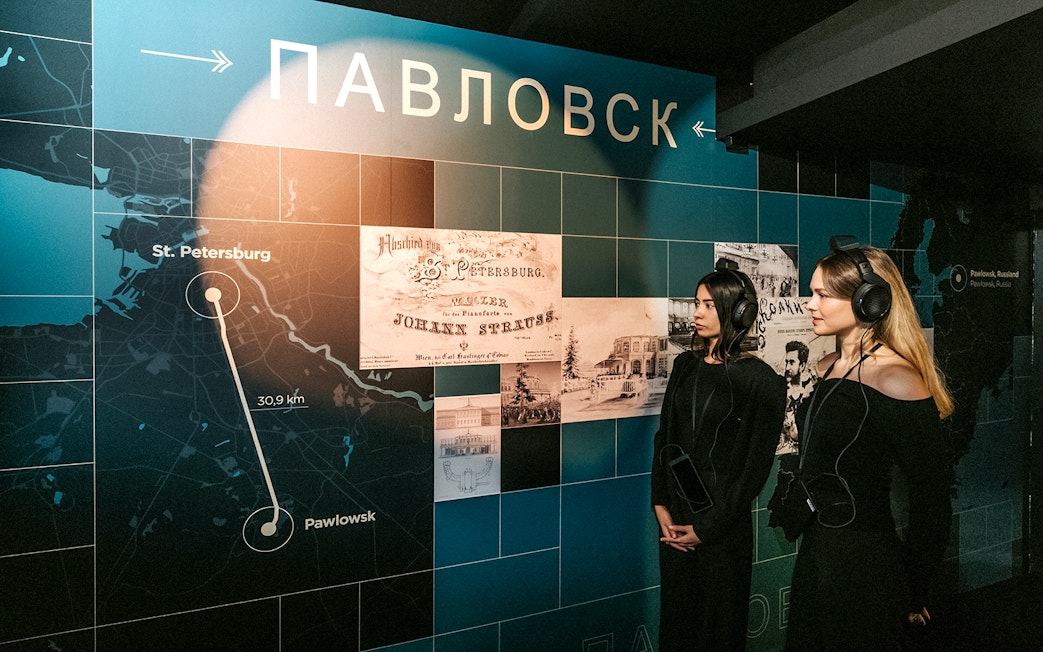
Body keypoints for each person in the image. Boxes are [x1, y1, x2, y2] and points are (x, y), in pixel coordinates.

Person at [783, 237, 953, 651]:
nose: (810, 303)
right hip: (817, 556)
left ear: (868, 302)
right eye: (811, 292)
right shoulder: (824, 367)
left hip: (866, 568)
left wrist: (916, 588)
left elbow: (932, 498)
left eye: (822, 294)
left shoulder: (896, 378)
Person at [651, 260, 786, 651]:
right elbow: (665, 440)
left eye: (708, 305)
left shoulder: (762, 381)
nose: (696, 312)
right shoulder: (684, 365)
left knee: (717, 636)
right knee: (676, 632)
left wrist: (706, 530)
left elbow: (753, 472)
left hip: (722, 536)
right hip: (675, 528)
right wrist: (661, 507)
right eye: (696, 303)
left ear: (738, 312)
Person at [780, 340, 813, 452]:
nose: (787, 367)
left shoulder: (810, 392)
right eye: (786, 362)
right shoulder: (780, 391)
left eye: (792, 362)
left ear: (802, 366)